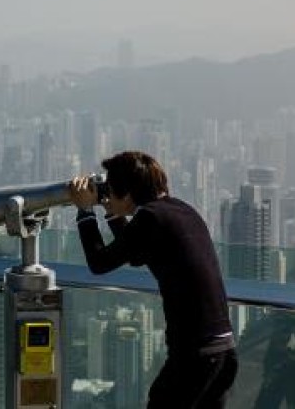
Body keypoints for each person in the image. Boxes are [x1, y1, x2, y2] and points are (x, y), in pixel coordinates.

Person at [69, 150, 237, 408]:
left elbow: (99, 262)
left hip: (195, 356)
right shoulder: (182, 211)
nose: (108, 195)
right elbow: (136, 253)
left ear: (127, 192)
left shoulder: (151, 218)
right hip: (224, 352)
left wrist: (85, 211)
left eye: (111, 190)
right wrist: (113, 212)